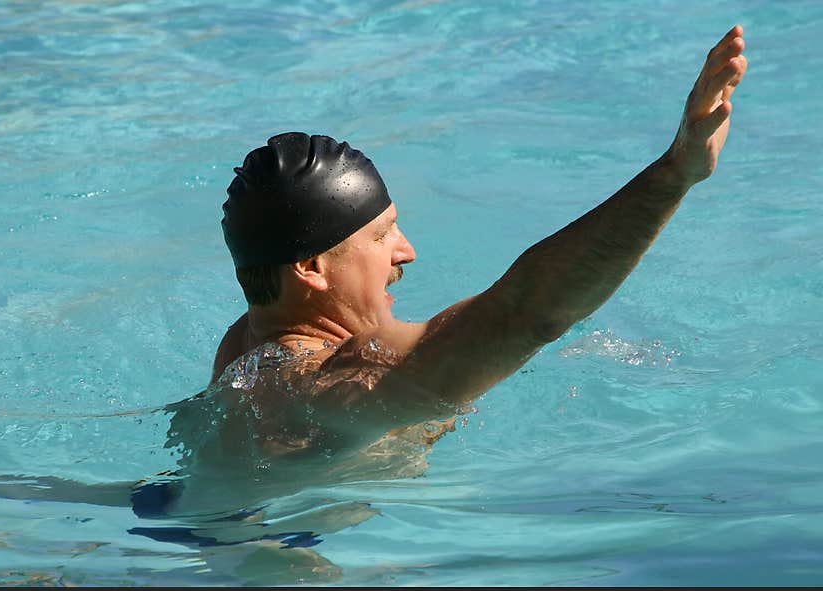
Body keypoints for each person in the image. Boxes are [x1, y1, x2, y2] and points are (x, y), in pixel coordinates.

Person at [207, 26, 748, 456]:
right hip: (279, 558)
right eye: (380, 236)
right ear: (311, 267)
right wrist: (675, 174)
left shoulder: (246, 347)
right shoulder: (322, 390)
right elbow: (523, 316)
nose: (406, 252)